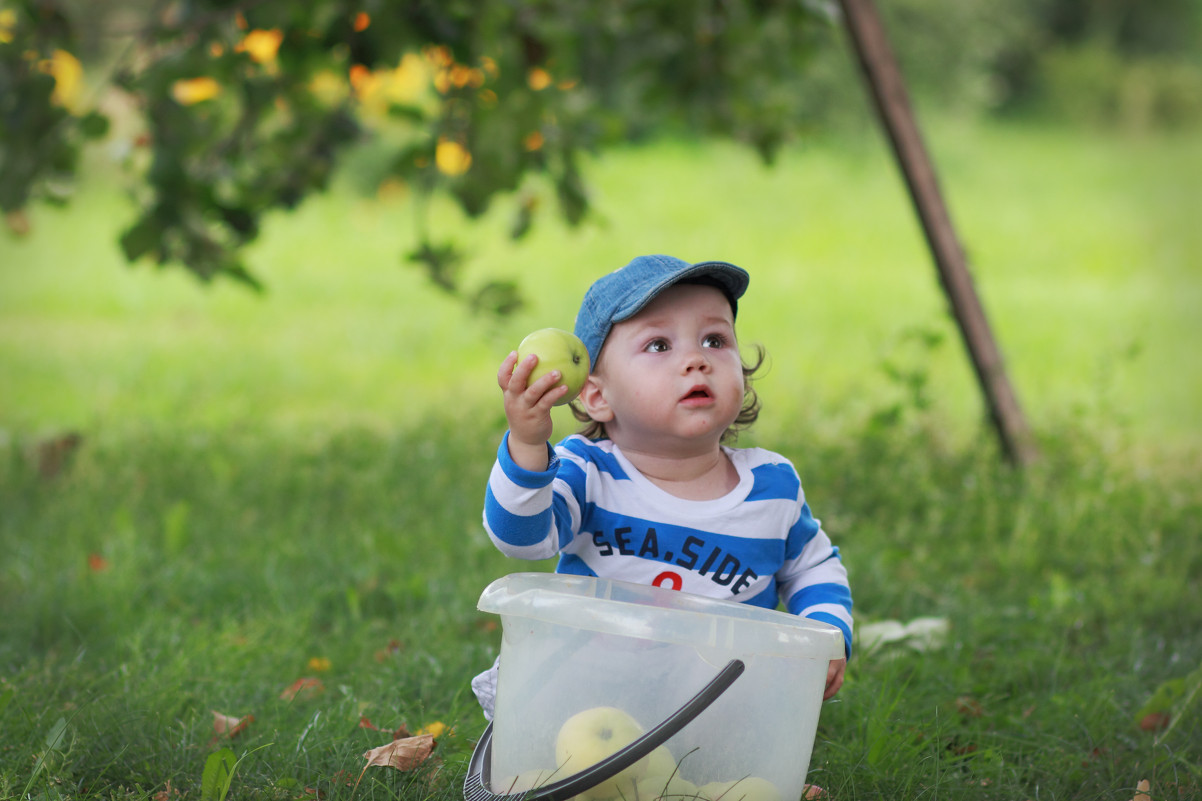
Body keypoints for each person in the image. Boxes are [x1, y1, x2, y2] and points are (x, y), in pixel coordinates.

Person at [473, 254, 852, 720]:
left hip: (724, 714)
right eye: (658, 345)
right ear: (596, 395)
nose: (696, 360)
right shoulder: (590, 474)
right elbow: (520, 539)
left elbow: (813, 569)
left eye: (715, 340)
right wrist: (528, 443)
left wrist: (826, 633)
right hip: (589, 705)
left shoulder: (772, 489)